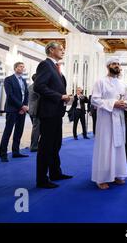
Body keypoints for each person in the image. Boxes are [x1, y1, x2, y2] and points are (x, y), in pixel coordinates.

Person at [34, 42, 73, 189]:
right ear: (51, 50)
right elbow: (39, 86)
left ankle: (55, 172)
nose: (63, 51)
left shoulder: (56, 67)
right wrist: (60, 96)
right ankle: (42, 179)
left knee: (55, 144)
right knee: (46, 146)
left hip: (56, 112)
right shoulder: (45, 64)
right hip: (48, 112)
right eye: (60, 49)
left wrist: (64, 97)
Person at [91, 57, 127, 190]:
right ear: (108, 66)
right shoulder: (100, 81)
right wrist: (113, 103)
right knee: (106, 146)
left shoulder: (122, 83)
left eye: (118, 64)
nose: (117, 66)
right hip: (106, 119)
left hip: (118, 117)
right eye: (114, 64)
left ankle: (118, 174)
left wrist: (125, 105)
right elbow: (95, 100)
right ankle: (101, 178)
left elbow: (126, 99)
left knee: (118, 146)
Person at [0, 62, 29, 162]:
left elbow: (26, 95)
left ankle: (15, 152)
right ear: (15, 68)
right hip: (12, 109)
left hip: (22, 110)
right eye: (21, 66)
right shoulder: (8, 79)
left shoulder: (24, 81)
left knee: (18, 131)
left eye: (23, 67)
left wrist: (24, 107)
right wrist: (21, 106)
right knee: (8, 131)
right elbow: (10, 95)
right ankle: (3, 154)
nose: (22, 68)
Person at [28, 74, 40, 152]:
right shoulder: (37, 87)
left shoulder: (30, 86)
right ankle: (34, 146)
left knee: (36, 128)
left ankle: (35, 145)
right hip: (36, 110)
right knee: (36, 129)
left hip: (32, 110)